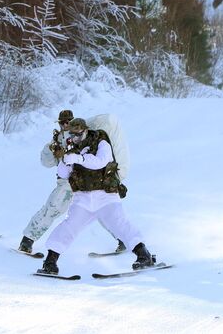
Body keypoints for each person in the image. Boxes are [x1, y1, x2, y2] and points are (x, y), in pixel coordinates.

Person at [37, 118, 155, 275]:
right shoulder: (72, 147)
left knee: (119, 224)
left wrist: (78, 158)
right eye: (72, 135)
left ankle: (143, 255)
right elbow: (63, 174)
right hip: (83, 198)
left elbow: (100, 161)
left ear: (86, 131)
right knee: (69, 226)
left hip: (105, 195)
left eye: (78, 135)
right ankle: (50, 262)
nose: (76, 138)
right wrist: (64, 160)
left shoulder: (100, 141)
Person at [19, 110, 125, 254]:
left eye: (69, 121)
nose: (66, 125)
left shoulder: (87, 133)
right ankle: (27, 240)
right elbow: (46, 162)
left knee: (102, 209)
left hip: (89, 180)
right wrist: (53, 151)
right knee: (52, 208)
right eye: (63, 122)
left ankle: (123, 239)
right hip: (67, 182)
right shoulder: (57, 141)